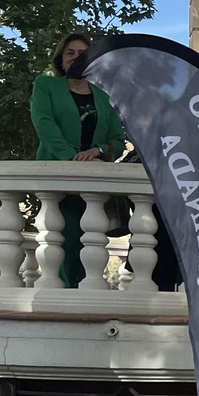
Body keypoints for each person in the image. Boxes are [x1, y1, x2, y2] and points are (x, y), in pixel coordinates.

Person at [31, 32, 128, 287]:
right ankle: (63, 294)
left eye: (82, 54)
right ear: (61, 60)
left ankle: (85, 292)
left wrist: (97, 150)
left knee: (91, 240)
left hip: (94, 181)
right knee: (63, 237)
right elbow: (45, 125)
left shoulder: (105, 96)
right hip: (58, 176)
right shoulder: (46, 86)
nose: (75, 58)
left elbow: (118, 140)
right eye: (69, 53)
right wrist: (71, 158)